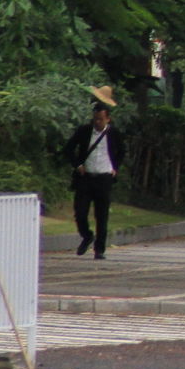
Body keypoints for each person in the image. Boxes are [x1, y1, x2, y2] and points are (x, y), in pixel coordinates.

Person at [63, 95, 126, 259]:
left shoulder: (114, 133)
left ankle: (99, 249)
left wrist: (115, 168)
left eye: (101, 119)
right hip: (86, 177)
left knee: (102, 215)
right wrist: (78, 165)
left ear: (108, 119)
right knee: (80, 212)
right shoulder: (84, 131)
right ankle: (86, 235)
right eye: (95, 119)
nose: (97, 122)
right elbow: (68, 149)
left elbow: (122, 151)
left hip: (104, 178)